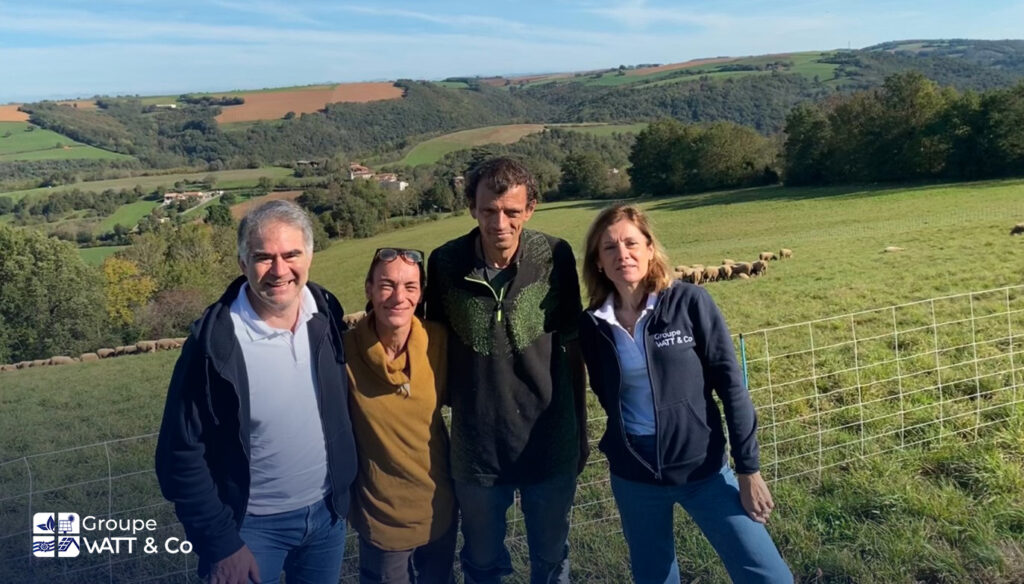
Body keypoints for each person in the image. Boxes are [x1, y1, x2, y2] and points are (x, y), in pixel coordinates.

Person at [577, 204, 792, 584]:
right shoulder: (592, 325)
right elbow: (600, 392)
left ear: (649, 249)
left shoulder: (689, 302)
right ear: (597, 261)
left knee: (769, 576)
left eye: (631, 243)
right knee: (654, 577)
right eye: (609, 247)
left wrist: (748, 469)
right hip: (634, 475)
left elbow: (731, 387)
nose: (622, 254)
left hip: (702, 468)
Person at [155, 200, 357, 584]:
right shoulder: (214, 344)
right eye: (264, 257)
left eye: (291, 254)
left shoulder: (326, 312)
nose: (279, 271)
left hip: (327, 516)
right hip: (249, 528)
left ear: (310, 255)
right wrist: (222, 545)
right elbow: (179, 456)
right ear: (242, 263)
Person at [425, 157, 587, 584]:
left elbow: (572, 345)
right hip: (477, 448)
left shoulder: (555, 255)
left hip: (550, 440)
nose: (500, 222)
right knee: (480, 562)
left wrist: (580, 431)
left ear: (530, 209)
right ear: (472, 208)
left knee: (551, 560)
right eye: (489, 211)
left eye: (512, 212)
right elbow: (434, 347)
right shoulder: (444, 263)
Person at [345, 247, 457, 583]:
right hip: (382, 521)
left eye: (410, 286)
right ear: (368, 288)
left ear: (421, 293)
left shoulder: (438, 341)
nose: (398, 297)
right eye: (386, 285)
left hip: (439, 509)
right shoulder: (343, 352)